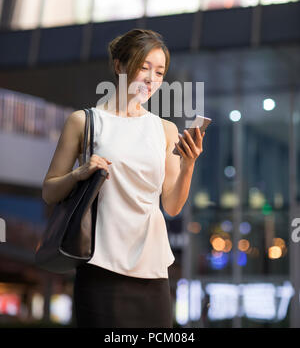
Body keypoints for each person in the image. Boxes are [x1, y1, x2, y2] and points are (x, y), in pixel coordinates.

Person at [42, 28, 205, 328]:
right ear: (119, 65)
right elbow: (50, 191)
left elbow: (171, 206)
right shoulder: (84, 121)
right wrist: (79, 173)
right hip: (100, 266)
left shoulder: (165, 129)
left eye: (159, 71)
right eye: (143, 67)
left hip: (153, 269)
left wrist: (189, 165)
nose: (151, 79)